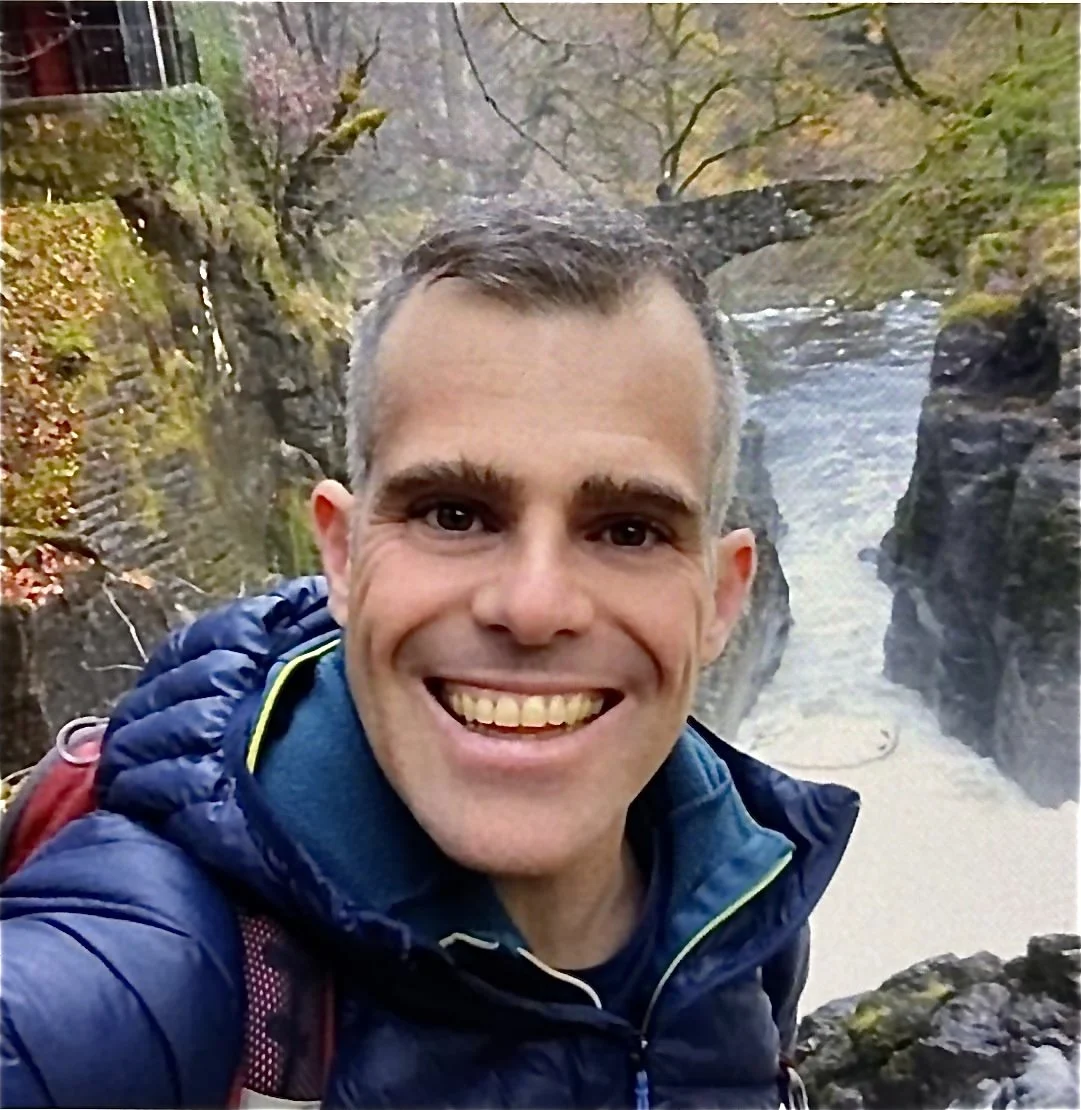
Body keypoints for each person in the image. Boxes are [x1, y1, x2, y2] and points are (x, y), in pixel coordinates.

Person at [0, 198, 859, 1109]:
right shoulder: (167, 967)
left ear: (722, 596)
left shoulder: (742, 905)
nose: (532, 607)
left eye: (629, 530)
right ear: (341, 553)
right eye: (454, 513)